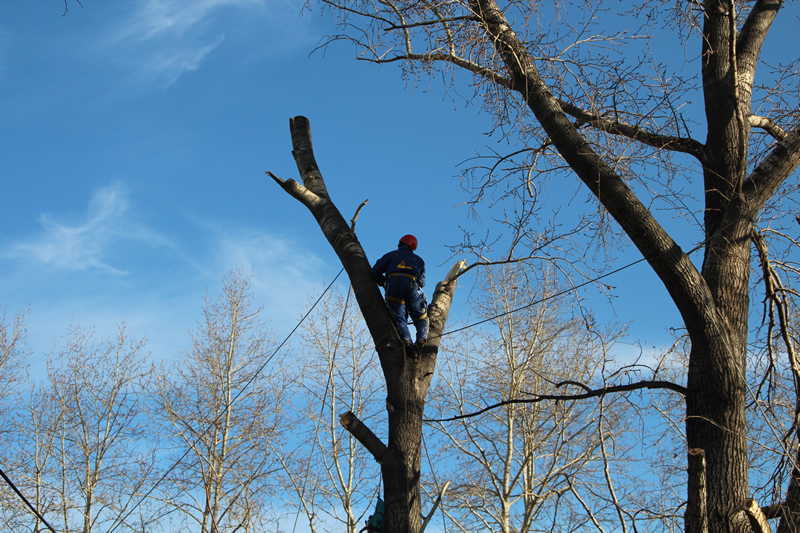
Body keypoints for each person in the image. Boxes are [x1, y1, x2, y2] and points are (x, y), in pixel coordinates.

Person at [371, 234, 429, 358]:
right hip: (411, 286)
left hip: (393, 286)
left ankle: (409, 344)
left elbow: (375, 272)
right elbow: (422, 282)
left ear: (400, 244)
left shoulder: (390, 255)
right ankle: (421, 339)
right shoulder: (419, 260)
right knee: (421, 318)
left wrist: (384, 283)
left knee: (399, 318)